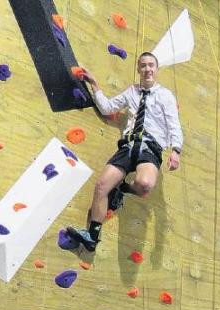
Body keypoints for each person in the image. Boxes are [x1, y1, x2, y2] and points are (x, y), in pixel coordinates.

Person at [66, 52, 183, 252]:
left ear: (157, 69)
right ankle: (92, 235)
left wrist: (176, 150)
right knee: (102, 185)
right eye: (143, 65)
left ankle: (123, 189)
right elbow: (107, 108)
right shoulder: (132, 92)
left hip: (149, 147)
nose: (147, 69)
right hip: (128, 146)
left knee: (144, 184)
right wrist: (95, 85)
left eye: (151, 65)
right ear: (138, 69)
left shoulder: (165, 95)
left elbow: (174, 125)